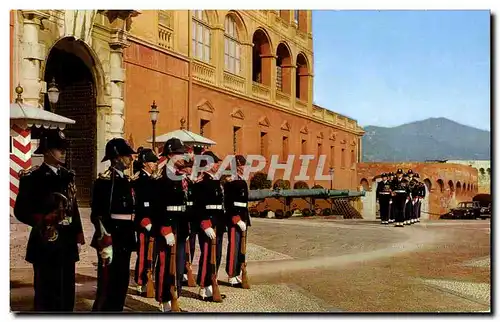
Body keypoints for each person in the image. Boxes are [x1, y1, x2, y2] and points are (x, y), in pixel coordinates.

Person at [14, 130, 85, 311]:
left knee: (66, 293)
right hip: (45, 241)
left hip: (67, 242)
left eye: (64, 149)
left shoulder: (68, 176)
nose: (64, 152)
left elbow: (73, 208)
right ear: (47, 151)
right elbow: (21, 210)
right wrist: (43, 219)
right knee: (46, 294)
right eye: (58, 149)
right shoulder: (32, 178)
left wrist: (78, 235)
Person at [91, 138, 137, 312]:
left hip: (124, 238)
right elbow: (98, 215)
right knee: (107, 287)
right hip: (111, 239)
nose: (130, 159)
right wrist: (105, 239)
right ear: (117, 157)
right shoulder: (105, 182)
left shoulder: (126, 180)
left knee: (121, 283)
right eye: (127, 156)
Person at [155, 138, 189, 312]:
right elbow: (159, 206)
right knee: (165, 263)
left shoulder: (180, 176)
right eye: (178, 153)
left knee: (179, 262)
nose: (182, 156)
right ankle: (164, 299)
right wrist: (166, 228)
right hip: (167, 226)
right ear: (169, 155)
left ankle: (176, 295)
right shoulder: (162, 178)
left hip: (180, 225)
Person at [193, 150, 225, 301]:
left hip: (217, 223)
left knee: (216, 255)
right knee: (207, 255)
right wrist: (205, 224)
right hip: (208, 224)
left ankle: (212, 283)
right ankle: (204, 286)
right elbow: (198, 206)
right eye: (214, 162)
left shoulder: (215, 182)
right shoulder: (201, 184)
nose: (217, 164)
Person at [132, 147, 159, 296]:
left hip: (153, 222)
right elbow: (139, 204)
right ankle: (141, 282)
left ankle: (149, 277)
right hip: (143, 222)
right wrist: (146, 222)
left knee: (152, 253)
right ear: (145, 164)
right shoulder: (140, 181)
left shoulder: (151, 180)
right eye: (152, 162)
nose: (154, 164)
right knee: (143, 253)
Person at [223, 155, 251, 286]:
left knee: (241, 247)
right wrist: (236, 219)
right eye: (242, 166)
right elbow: (228, 203)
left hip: (243, 218)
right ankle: (231, 274)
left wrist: (245, 219)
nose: (244, 168)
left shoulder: (241, 180)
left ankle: (238, 272)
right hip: (235, 219)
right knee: (234, 246)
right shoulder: (231, 182)